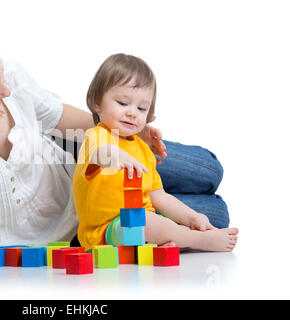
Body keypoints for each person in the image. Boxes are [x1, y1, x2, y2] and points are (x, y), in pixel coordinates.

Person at [0, 25, 230, 270]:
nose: (6, 92)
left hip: (85, 166)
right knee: (215, 215)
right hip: (77, 235)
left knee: (208, 171)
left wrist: (127, 133)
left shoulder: (9, 81)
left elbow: (64, 119)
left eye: (0, 79)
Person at [72, 53, 239, 251]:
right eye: (123, 103)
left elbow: (159, 196)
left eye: (142, 108)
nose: (132, 112)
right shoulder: (97, 136)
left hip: (144, 221)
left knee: (161, 223)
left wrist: (192, 216)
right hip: (105, 231)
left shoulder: (143, 148)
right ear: (97, 102)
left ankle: (176, 238)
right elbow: (99, 153)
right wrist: (117, 156)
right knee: (149, 223)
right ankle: (199, 241)